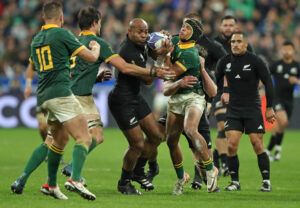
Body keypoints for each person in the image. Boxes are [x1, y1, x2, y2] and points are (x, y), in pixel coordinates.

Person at [15, 1, 102, 200]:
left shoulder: (36, 39)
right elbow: (89, 57)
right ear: (61, 17)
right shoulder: (62, 34)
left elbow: (35, 66)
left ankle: (51, 185)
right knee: (85, 137)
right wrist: (96, 48)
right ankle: (75, 179)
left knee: (58, 140)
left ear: (43, 17)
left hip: (43, 96)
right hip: (61, 93)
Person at [108, 18, 174, 195]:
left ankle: (138, 171)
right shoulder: (128, 50)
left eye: (146, 31)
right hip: (122, 100)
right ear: (129, 32)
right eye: (140, 32)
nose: (144, 35)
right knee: (137, 144)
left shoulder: (142, 44)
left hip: (135, 97)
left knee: (157, 136)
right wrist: (157, 66)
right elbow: (147, 80)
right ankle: (124, 183)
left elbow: (154, 53)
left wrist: (163, 42)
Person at [215, 31, 275, 192]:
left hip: (252, 109)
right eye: (233, 42)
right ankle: (235, 182)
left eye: (239, 41)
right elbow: (216, 81)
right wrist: (221, 93)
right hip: (233, 109)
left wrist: (269, 107)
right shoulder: (224, 62)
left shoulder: (255, 61)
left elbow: (268, 82)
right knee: (232, 145)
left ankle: (266, 181)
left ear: (246, 44)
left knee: (257, 144)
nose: (235, 44)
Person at [164, 18, 218, 195]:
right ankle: (181, 177)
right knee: (171, 140)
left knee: (190, 129)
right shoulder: (174, 41)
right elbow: (158, 46)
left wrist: (164, 55)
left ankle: (210, 170)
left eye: (187, 28)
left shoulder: (191, 54)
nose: (182, 30)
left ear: (193, 34)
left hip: (193, 96)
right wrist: (160, 39)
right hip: (176, 97)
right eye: (182, 27)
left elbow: (171, 74)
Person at [213, 15, 254, 175]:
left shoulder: (244, 44)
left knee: (229, 131)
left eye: (231, 25)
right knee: (223, 125)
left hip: (239, 93)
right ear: (220, 27)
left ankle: (218, 156)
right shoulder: (214, 44)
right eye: (225, 25)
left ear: (235, 27)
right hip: (219, 91)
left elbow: (254, 65)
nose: (228, 28)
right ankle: (224, 162)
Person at [11, 65, 54, 195]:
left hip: (56, 95)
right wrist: (28, 84)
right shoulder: (64, 46)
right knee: (82, 136)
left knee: (54, 139)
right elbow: (31, 66)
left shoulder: (39, 44)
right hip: (53, 96)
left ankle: (23, 179)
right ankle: (72, 177)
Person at [266, 40, 300, 161]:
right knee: (283, 121)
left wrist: (296, 81)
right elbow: (265, 75)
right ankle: (276, 149)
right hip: (277, 98)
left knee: (280, 126)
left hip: (289, 100)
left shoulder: (297, 66)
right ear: (281, 50)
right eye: (284, 49)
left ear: (293, 51)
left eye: (289, 49)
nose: (286, 51)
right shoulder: (276, 65)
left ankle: (271, 150)